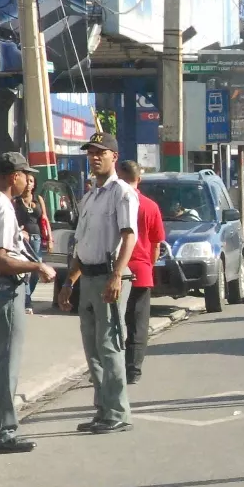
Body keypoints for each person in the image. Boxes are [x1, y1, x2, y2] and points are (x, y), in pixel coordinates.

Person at [0, 153, 55, 453]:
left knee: (1, 363)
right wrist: (37, 267)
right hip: (3, 289)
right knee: (5, 367)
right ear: (12, 177)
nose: (26, 180)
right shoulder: (3, 209)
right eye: (23, 174)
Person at [66, 131, 138, 435]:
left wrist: (117, 275)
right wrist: (69, 282)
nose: (95, 157)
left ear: (114, 157)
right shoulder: (90, 196)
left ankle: (118, 412)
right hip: (88, 277)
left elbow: (128, 236)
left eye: (101, 152)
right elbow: (82, 243)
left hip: (110, 276)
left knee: (109, 346)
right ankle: (103, 410)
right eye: (91, 153)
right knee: (92, 348)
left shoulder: (122, 192)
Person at [117, 160, 166, 385]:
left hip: (116, 270)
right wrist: (149, 264)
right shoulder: (150, 206)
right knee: (138, 323)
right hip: (142, 270)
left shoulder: (115, 203)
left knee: (114, 321)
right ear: (140, 179)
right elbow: (156, 243)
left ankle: (114, 365)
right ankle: (134, 369)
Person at [13, 172, 50, 313]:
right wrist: (19, 232)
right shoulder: (16, 201)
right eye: (27, 181)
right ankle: (27, 302)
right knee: (27, 269)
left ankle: (26, 295)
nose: (29, 183)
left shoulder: (38, 199)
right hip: (23, 239)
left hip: (37, 238)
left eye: (31, 181)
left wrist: (50, 238)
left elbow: (44, 219)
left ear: (34, 184)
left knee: (37, 268)